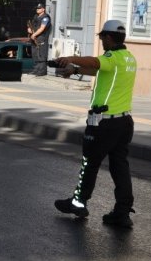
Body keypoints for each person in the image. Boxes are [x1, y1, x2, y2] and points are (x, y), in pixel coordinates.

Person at [52, 19, 138, 228]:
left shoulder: (111, 57)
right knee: (120, 167)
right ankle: (122, 212)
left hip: (103, 124)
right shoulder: (129, 59)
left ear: (108, 38)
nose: (101, 41)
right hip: (124, 122)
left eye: (102, 38)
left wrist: (69, 59)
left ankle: (79, 202)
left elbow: (97, 63)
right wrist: (75, 70)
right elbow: (100, 70)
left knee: (89, 163)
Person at [26, 3, 51, 76]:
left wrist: (34, 34)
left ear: (43, 9)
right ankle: (36, 70)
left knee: (41, 54)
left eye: (39, 8)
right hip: (34, 38)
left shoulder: (45, 18)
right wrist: (29, 30)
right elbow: (32, 26)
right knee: (35, 54)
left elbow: (42, 28)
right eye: (37, 8)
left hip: (41, 38)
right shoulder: (36, 17)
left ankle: (41, 71)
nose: (37, 9)